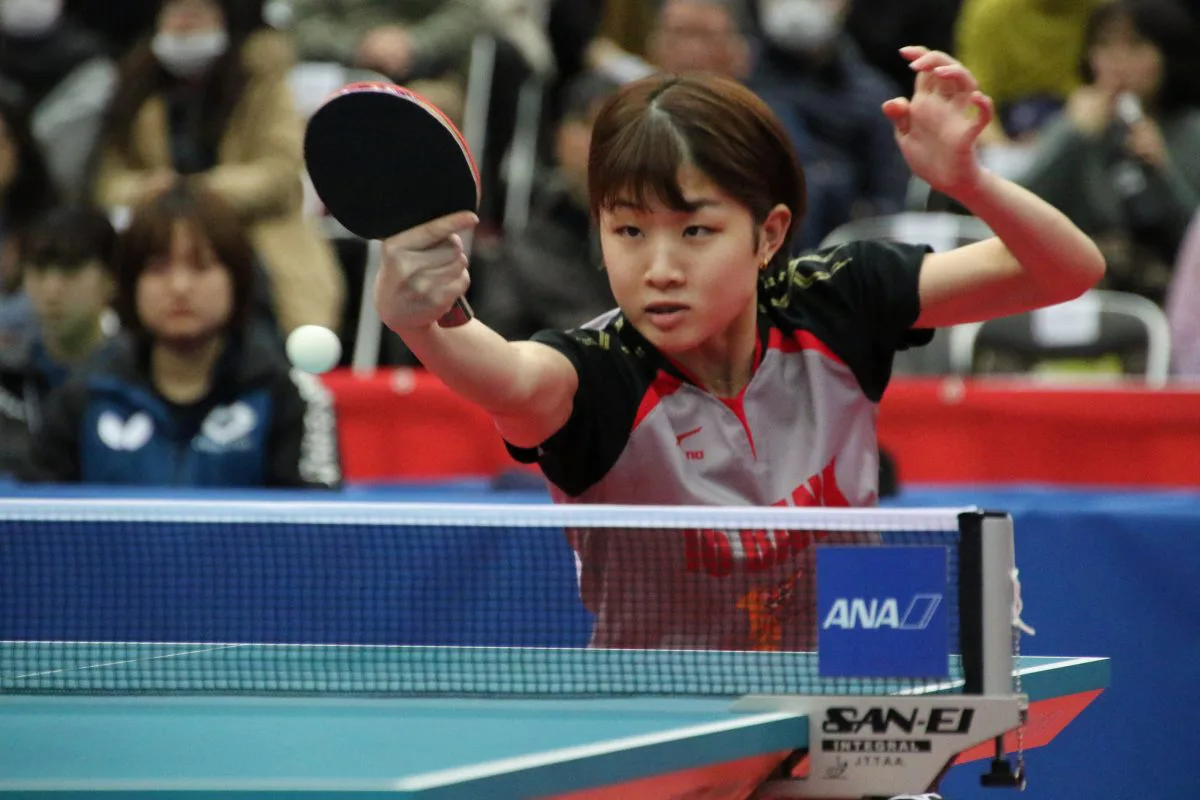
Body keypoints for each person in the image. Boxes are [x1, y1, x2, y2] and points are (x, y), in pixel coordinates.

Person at [371, 49, 1105, 649]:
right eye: (628, 231)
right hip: (670, 729)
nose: (660, 267)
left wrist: (968, 181)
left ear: (768, 234)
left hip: (853, 690)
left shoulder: (836, 302)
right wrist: (422, 323)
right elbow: (505, 374)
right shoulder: (596, 375)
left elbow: (1067, 271)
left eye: (695, 230)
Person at [26, 179, 343, 489]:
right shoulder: (84, 396)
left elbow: (316, 516)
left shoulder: (286, 397)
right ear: (130, 284)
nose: (180, 286)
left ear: (237, 279)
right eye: (158, 268)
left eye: (201, 266)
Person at [90, 0, 344, 337]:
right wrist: (149, 190)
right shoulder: (135, 86)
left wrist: (195, 192)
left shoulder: (261, 81)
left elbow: (279, 173)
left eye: (196, 14)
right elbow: (109, 181)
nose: (183, 24)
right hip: (157, 230)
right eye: (175, 13)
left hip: (257, 236)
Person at [0, 205, 118, 478]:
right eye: (39, 271)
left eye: (70, 270)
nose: (52, 290)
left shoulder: (134, 383)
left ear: (111, 279)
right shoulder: (6, 380)